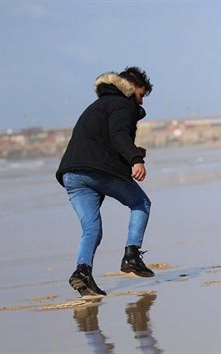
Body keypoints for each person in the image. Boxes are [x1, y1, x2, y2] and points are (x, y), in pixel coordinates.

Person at [56, 66, 155, 297]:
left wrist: (131, 150)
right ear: (131, 88)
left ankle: (82, 273)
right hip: (97, 171)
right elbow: (118, 135)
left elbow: (103, 139)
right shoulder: (123, 104)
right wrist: (136, 159)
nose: (141, 103)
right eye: (141, 95)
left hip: (72, 174)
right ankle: (132, 255)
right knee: (141, 203)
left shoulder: (96, 106)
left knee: (91, 229)